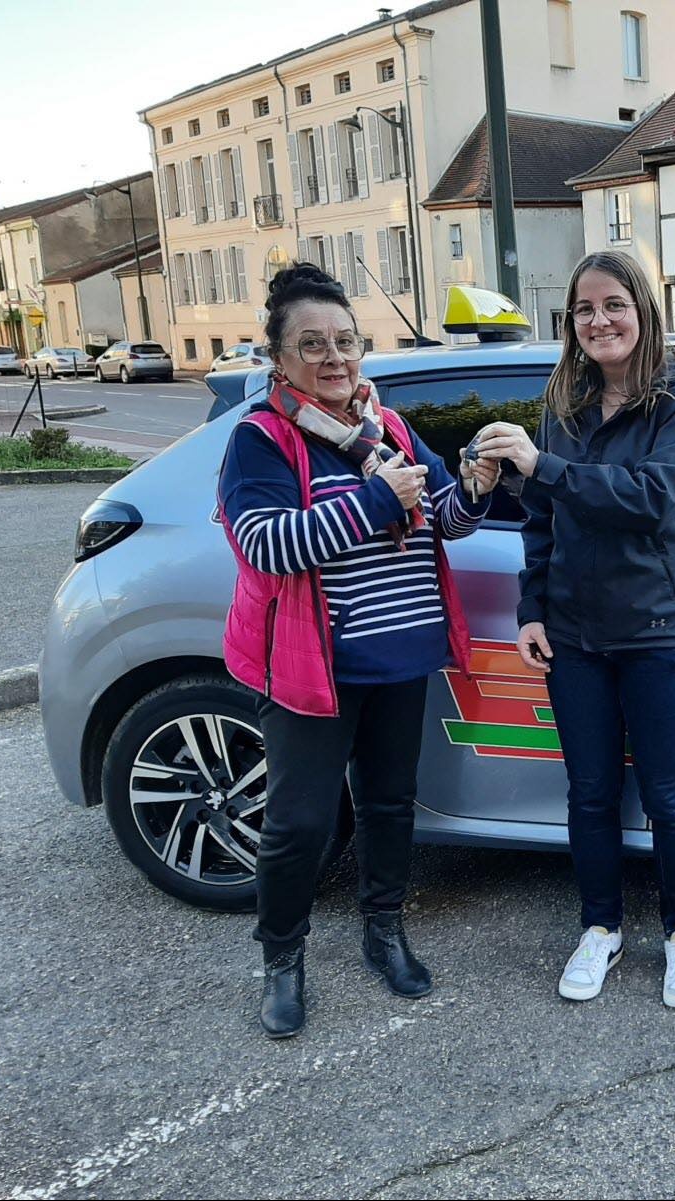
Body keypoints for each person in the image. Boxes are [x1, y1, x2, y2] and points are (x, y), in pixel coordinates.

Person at [217, 262, 500, 1038]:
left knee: (387, 806)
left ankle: (384, 931)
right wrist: (380, 500)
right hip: (314, 669)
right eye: (313, 345)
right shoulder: (261, 439)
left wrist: (472, 486)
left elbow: (443, 517)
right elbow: (266, 545)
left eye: (346, 340)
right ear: (279, 357)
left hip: (400, 658)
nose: (335, 358)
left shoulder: (389, 428)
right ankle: (282, 958)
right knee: (299, 824)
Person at [472, 251, 675, 1008]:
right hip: (575, 635)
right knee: (589, 794)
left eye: (614, 304)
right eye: (584, 309)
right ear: (570, 323)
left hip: (658, 630)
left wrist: (542, 465)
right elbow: (541, 522)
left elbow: (651, 497)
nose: (599, 320)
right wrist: (532, 606)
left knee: (670, 795)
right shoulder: (565, 404)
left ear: (643, 309)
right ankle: (600, 929)